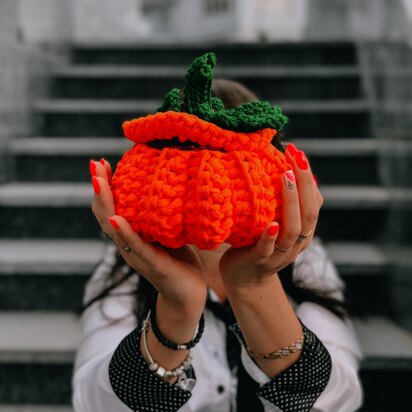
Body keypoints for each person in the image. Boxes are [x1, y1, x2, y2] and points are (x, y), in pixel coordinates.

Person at [72, 69, 363, 411]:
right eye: (191, 158)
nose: (211, 184)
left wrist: (254, 287)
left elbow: (339, 400)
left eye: (232, 159)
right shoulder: (124, 269)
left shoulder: (306, 261)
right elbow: (94, 402)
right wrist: (177, 309)